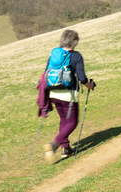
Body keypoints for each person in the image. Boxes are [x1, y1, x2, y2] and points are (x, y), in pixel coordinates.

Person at [37, 29, 96, 163]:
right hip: (68, 95)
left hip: (53, 93)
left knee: (64, 120)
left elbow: (46, 73)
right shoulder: (76, 56)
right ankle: (54, 145)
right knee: (72, 122)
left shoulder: (54, 55)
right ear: (75, 42)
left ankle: (66, 148)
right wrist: (90, 86)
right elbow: (82, 78)